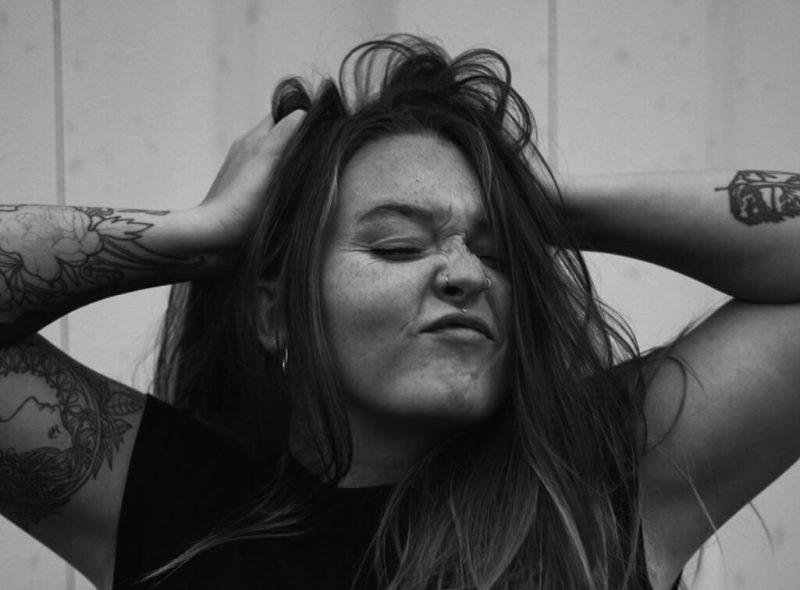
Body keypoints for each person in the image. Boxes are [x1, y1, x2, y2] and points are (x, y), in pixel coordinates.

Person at [1, 34, 799, 590]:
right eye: (397, 246)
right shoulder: (167, 502)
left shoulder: (603, 481)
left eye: (495, 252)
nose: (464, 273)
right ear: (275, 316)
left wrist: (534, 207)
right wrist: (202, 235)